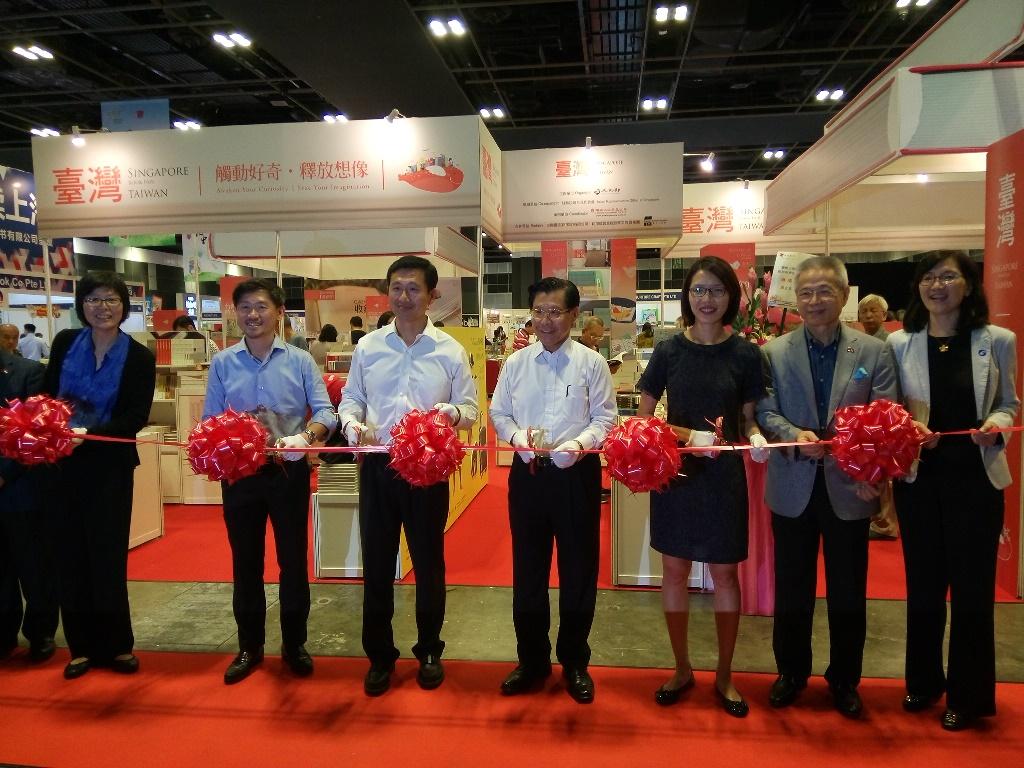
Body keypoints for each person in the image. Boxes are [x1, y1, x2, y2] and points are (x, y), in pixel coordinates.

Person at [756, 254, 896, 719]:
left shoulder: (873, 351)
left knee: (848, 590)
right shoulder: (775, 351)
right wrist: (794, 435)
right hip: (793, 482)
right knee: (791, 587)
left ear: (844, 294)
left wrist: (872, 478)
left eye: (825, 291)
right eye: (806, 292)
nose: (815, 300)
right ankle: (791, 673)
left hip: (849, 486)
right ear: (796, 299)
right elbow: (764, 411)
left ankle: (844, 680)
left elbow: (885, 419)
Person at [887, 251, 1019, 731]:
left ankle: (969, 696)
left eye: (948, 276)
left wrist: (995, 425)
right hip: (920, 481)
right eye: (928, 277)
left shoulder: (998, 340)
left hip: (976, 482)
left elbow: (1009, 403)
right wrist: (908, 429)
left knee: (971, 592)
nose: (937, 285)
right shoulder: (901, 342)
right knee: (923, 587)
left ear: (968, 285)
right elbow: (891, 408)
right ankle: (923, 683)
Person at [338, 256, 478, 697]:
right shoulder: (368, 348)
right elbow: (350, 400)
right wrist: (352, 425)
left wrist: (451, 413)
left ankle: (430, 650)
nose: (404, 297)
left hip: (427, 469)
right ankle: (380, 656)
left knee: (429, 563)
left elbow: (472, 411)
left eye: (413, 289)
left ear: (432, 295)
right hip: (379, 467)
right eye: (396, 288)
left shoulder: (450, 351)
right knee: (377, 565)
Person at [636, 256, 769, 718]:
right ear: (686, 297)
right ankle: (681, 667)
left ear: (731, 296)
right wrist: (686, 436)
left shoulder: (748, 354)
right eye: (698, 290)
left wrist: (753, 437)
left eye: (715, 290)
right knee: (674, 573)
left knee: (725, 575)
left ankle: (726, 674)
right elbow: (642, 420)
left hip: (725, 481)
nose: (706, 299)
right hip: (676, 477)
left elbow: (750, 417)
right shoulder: (670, 351)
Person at [490, 277, 616, 704]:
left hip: (575, 475)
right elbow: (498, 411)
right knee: (528, 570)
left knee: (579, 571)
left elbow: (606, 420)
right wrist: (515, 439)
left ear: (573, 315)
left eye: (555, 312)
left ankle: (576, 661)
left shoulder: (591, 364)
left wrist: (580, 445)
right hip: (528, 476)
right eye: (539, 312)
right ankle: (532, 660)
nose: (545, 321)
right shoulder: (516, 363)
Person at [203, 279, 335, 685]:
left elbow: (326, 414)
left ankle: (295, 644)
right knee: (245, 562)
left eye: (261, 307)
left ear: (279, 312)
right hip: (240, 475)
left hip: (288, 471)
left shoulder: (299, 361)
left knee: (292, 561)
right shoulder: (223, 363)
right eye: (245, 308)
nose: (253, 315)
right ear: (235, 313)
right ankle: (249, 646)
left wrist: (306, 438)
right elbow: (210, 419)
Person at [42, 272, 156, 680]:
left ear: (124, 306)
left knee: (106, 557)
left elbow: (135, 417)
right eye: (93, 299)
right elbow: (46, 396)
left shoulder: (140, 356)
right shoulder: (64, 344)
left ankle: (117, 645)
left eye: (110, 299)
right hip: (60, 467)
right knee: (69, 556)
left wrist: (87, 436)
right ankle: (80, 647)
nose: (102, 307)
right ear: (81, 304)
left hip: (109, 467)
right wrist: (50, 429)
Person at [0, 327, 58, 664]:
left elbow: (38, 432)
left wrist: (4, 472)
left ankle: (41, 632)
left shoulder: (29, 373)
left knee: (34, 567)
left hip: (21, 486)